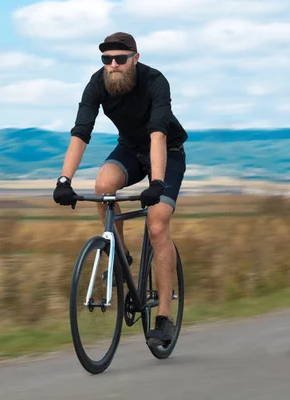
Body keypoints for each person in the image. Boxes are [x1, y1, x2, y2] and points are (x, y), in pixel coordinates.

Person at [52, 32, 187, 348]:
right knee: (103, 185)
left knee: (157, 224)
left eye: (120, 59)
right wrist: (64, 180)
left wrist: (156, 183)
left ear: (135, 60)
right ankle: (120, 255)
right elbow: (81, 133)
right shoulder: (97, 83)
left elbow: (157, 135)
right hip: (128, 149)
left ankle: (164, 317)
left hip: (166, 152)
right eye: (106, 60)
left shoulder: (155, 82)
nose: (113, 65)